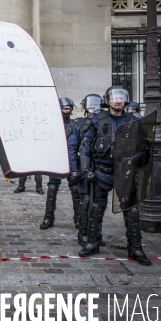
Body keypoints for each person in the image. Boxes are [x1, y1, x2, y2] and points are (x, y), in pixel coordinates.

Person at [78, 86, 151, 265]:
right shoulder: (98, 118)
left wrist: (136, 165)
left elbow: (143, 147)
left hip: (125, 173)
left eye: (121, 97)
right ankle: (93, 242)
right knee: (96, 209)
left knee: (132, 211)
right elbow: (85, 146)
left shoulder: (134, 120)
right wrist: (86, 169)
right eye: (115, 98)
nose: (118, 101)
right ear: (108, 100)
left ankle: (135, 247)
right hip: (102, 171)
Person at [39, 98, 81, 230]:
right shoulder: (51, 124)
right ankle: (48, 217)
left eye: (68, 109)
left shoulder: (75, 125)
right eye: (64, 109)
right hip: (56, 160)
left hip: (72, 160)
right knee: (52, 188)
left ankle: (78, 218)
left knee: (75, 189)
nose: (66, 111)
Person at [69, 94, 104, 245]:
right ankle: (83, 233)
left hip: (100, 167)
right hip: (84, 166)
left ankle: (96, 234)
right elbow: (72, 148)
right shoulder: (79, 124)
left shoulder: (104, 121)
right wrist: (74, 169)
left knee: (99, 204)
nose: (94, 109)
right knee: (85, 200)